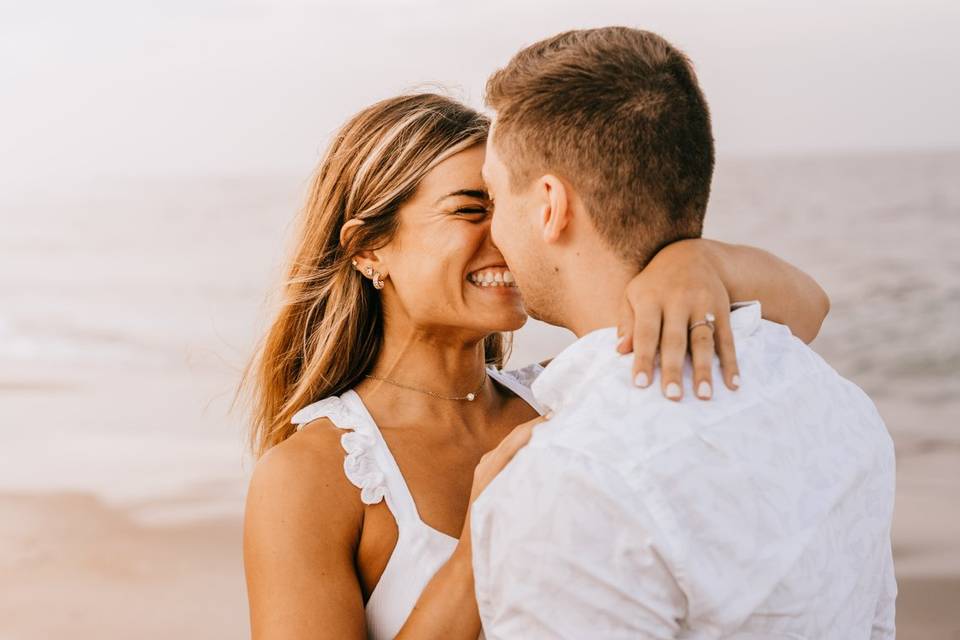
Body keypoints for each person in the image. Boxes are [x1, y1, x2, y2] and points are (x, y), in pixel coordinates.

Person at [241, 92, 831, 639]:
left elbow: (802, 313)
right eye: (470, 210)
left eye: (504, 209)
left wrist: (698, 262)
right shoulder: (309, 476)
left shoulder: (571, 392)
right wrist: (479, 550)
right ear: (368, 247)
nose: (503, 235)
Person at [470, 27, 897, 639]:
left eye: (491, 195)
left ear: (549, 205)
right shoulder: (832, 398)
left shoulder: (571, 478)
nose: (491, 231)